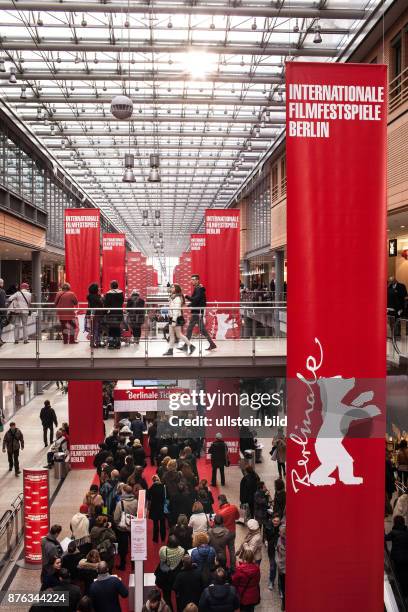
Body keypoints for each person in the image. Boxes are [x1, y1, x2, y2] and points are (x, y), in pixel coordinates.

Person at [181, 275, 216, 351]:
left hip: (197, 312)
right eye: (191, 280)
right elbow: (196, 301)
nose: (191, 281)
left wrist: (186, 296)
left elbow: (195, 300)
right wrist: (189, 305)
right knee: (202, 330)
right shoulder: (198, 288)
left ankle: (185, 346)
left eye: (193, 279)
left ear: (197, 280)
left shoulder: (199, 289)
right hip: (197, 311)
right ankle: (212, 344)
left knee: (190, 329)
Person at [163, 283, 195, 356]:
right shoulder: (173, 297)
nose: (171, 288)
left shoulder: (177, 298)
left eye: (173, 287)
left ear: (176, 289)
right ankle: (171, 350)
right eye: (171, 287)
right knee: (174, 335)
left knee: (178, 335)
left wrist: (174, 320)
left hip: (176, 318)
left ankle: (190, 346)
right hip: (173, 317)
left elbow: (176, 310)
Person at [156, 534, 185, 610]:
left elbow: (161, 559)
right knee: (178, 594)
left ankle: (169, 609)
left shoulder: (163, 550)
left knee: (166, 596)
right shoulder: (181, 550)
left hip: (166, 575)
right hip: (177, 574)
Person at [113, 484, 138, 570]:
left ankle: (123, 564)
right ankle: (134, 564)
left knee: (123, 547)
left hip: (122, 528)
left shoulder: (120, 504)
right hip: (133, 527)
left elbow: (116, 518)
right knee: (134, 545)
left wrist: (117, 524)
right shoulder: (136, 502)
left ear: (124, 492)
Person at [217, 495, 239, 572]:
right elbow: (237, 517)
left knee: (223, 550)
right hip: (232, 531)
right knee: (232, 550)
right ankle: (233, 568)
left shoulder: (220, 513)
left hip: (224, 534)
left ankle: (224, 567)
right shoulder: (234, 507)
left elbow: (216, 524)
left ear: (220, 501)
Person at [103, 280, 124, 349]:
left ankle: (111, 343)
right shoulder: (121, 293)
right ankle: (118, 343)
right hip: (119, 313)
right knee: (117, 328)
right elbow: (122, 302)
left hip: (111, 313)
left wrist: (105, 313)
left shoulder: (108, 293)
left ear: (111, 286)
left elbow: (106, 305)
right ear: (117, 286)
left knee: (111, 328)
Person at [263, 511, 281, 590]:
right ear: (272, 520)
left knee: (280, 570)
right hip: (272, 550)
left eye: (277, 521)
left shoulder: (282, 528)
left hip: (280, 551)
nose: (276, 523)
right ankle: (271, 581)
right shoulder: (268, 526)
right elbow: (266, 536)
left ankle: (280, 587)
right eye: (274, 521)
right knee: (273, 566)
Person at [147, 475, 167, 543]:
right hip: (162, 507)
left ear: (153, 481)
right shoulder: (163, 487)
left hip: (154, 508)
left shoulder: (152, 488)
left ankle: (155, 539)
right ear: (159, 479)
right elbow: (165, 496)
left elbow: (148, 497)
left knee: (155, 524)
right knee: (162, 523)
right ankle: (163, 538)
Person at [87, 283, 104, 348]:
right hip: (97, 314)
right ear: (96, 289)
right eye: (98, 288)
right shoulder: (98, 297)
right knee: (97, 329)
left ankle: (92, 342)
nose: (99, 289)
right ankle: (97, 342)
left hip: (90, 314)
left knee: (92, 329)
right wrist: (102, 298)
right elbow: (101, 304)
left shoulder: (89, 296)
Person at [276, 525, 286, 610]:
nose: (279, 533)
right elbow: (278, 553)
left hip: (286, 568)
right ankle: (284, 602)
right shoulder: (280, 539)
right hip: (282, 568)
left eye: (281, 532)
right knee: (283, 586)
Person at [0, 278, 7, 347]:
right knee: (0, 326)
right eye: (2, 283)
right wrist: (4, 313)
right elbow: (2, 303)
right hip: (0, 312)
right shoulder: (2, 291)